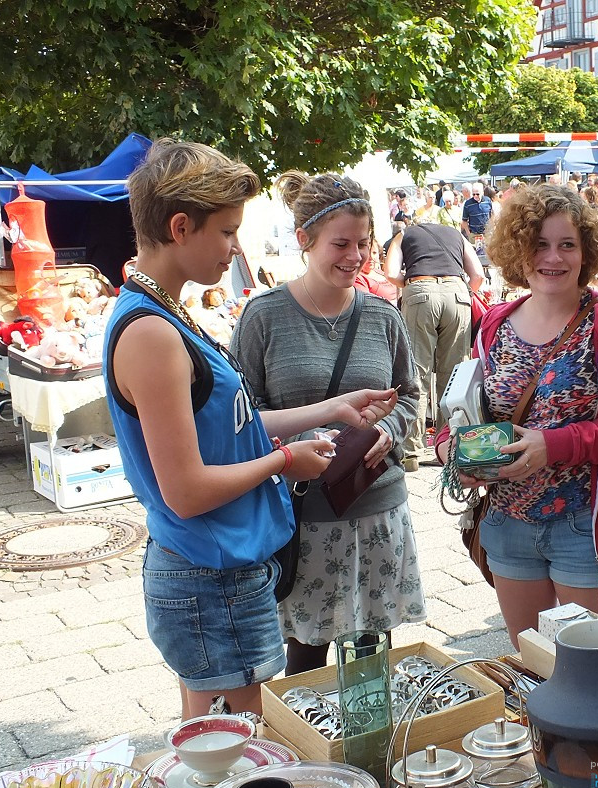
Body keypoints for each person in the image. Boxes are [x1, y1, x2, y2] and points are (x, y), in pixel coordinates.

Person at [104, 139, 398, 718]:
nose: (235, 248)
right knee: (239, 759)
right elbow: (186, 491)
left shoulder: (162, 314)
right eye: (227, 231)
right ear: (181, 227)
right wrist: (286, 462)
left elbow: (231, 424)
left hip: (219, 570)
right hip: (211, 575)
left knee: (212, 753)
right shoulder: (153, 333)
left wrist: (332, 408)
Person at [435, 184, 598, 648]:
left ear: (587, 252)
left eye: (566, 245)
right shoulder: (495, 322)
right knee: (531, 663)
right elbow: (464, 408)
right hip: (508, 523)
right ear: (518, 250)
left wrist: (551, 446)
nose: (552, 258)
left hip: (585, 528)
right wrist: (450, 449)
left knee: (596, 669)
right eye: (539, 244)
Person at [231, 171, 423, 676]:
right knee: (306, 661)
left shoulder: (384, 316)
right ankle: (308, 753)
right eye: (341, 243)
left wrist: (389, 431)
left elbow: (412, 396)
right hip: (302, 516)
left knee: (371, 660)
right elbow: (240, 417)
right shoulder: (263, 317)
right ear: (304, 240)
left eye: (364, 243)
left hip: (376, 506)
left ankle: (368, 751)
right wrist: (296, 445)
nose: (355, 256)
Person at [384, 222, 485, 470]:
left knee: (416, 372)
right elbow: (479, 276)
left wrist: (411, 287)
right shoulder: (457, 236)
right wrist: (457, 292)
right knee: (455, 375)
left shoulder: (404, 233)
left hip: (420, 290)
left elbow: (390, 273)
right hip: (457, 294)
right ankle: (449, 444)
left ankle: (412, 451)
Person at [354, 238, 398, 305]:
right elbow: (367, 304)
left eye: (374, 253)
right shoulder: (358, 278)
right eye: (367, 253)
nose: (371, 257)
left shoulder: (379, 272)